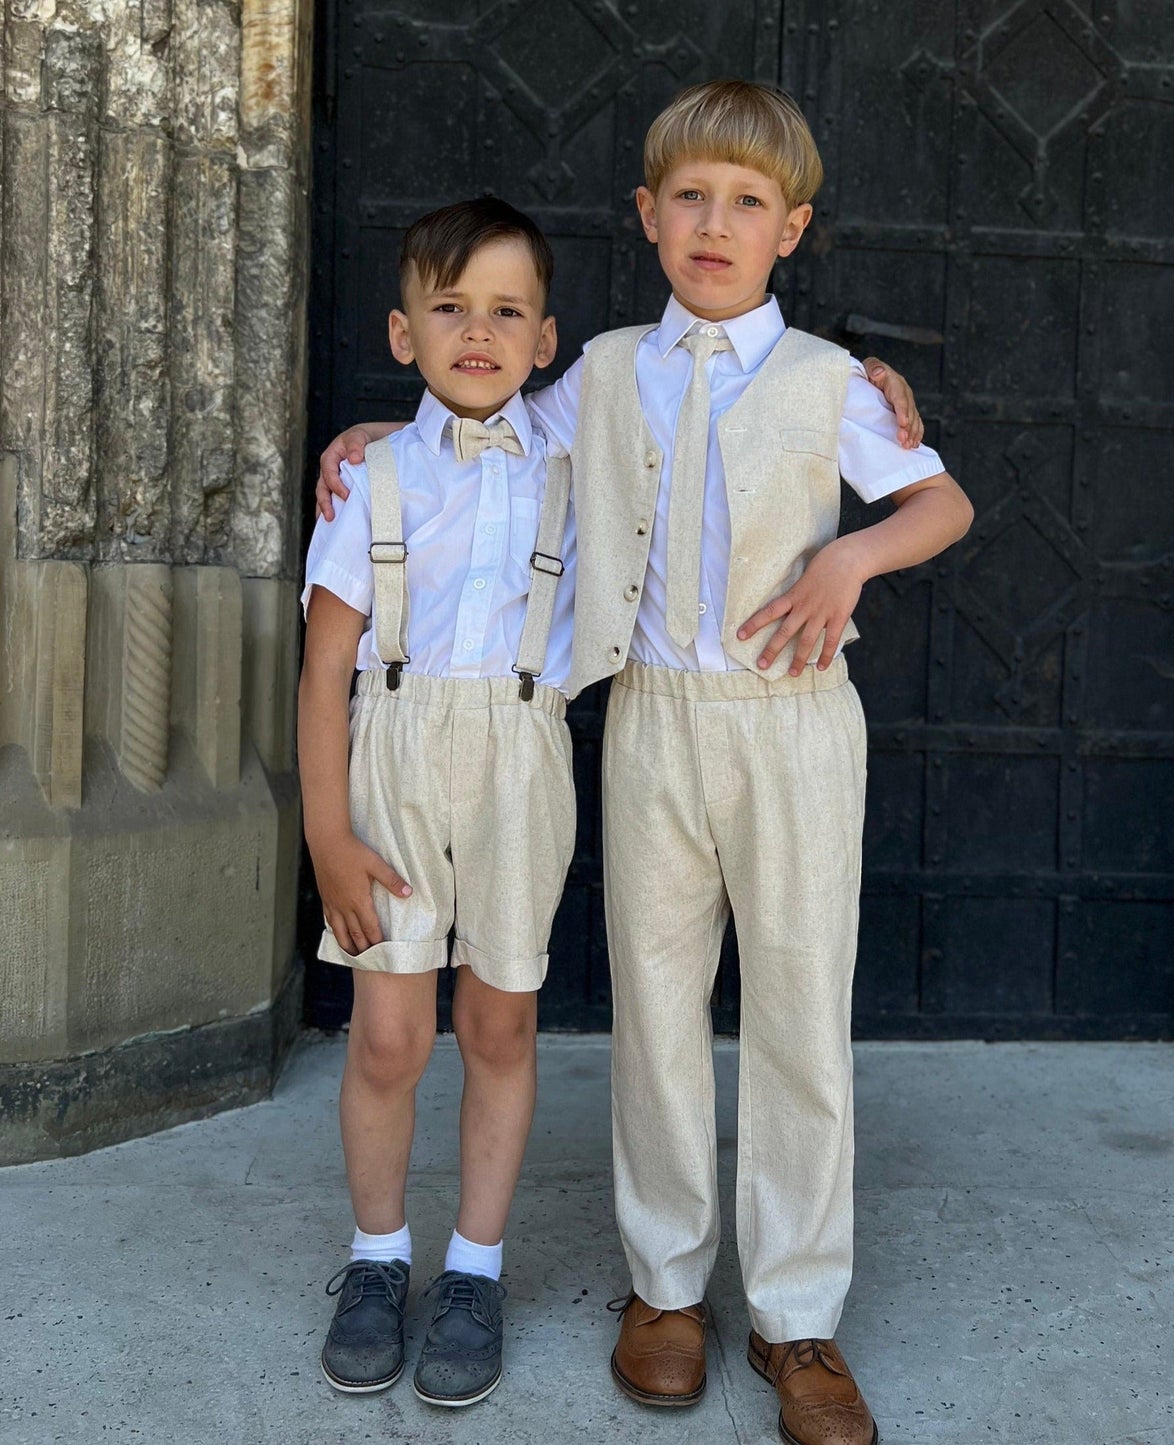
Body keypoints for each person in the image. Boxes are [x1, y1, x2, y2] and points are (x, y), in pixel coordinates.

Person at [315, 80, 973, 1445]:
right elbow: (486, 428)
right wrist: (377, 437)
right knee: (657, 1011)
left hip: (790, 725)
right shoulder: (603, 369)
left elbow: (941, 502)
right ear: (647, 216)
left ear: (790, 229)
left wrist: (853, 550)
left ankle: (797, 1317)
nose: (712, 224)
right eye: (687, 197)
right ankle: (664, 1287)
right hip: (654, 720)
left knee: (797, 1012)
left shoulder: (829, 383)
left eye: (745, 203)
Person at [297, 195, 576, 1410]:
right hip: (393, 749)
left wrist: (863, 379)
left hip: (523, 748)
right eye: (450, 307)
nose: (479, 330)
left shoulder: (578, 449)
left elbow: (700, 388)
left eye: (506, 309)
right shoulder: (371, 476)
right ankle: (376, 1256)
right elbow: (323, 671)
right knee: (392, 1034)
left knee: (500, 1026)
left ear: (545, 338)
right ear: (403, 334)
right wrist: (327, 834)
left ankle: (473, 1266)